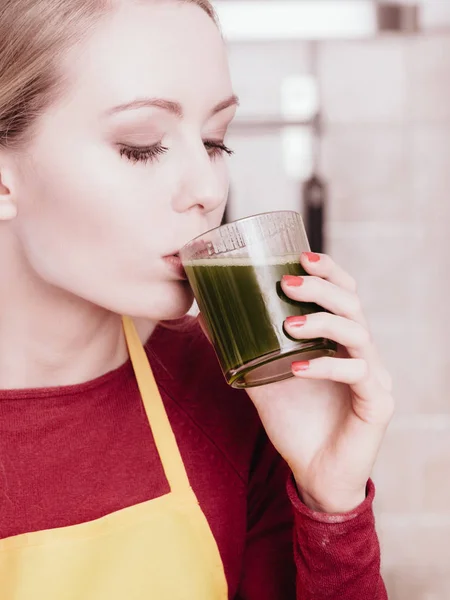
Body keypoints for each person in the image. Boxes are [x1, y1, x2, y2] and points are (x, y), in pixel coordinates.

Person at [0, 0, 394, 598]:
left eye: (215, 142)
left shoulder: (243, 393)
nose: (208, 191)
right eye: (141, 146)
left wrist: (329, 506)